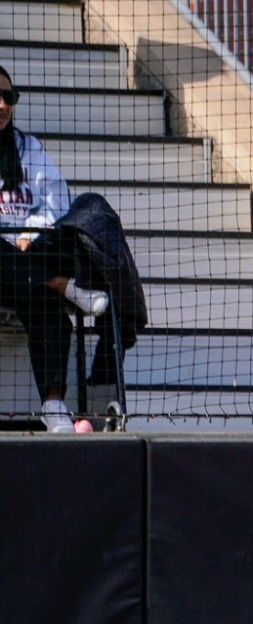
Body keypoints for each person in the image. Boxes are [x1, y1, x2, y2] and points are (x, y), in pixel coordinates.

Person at [0, 66, 112, 433]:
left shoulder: (27, 148)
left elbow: (55, 202)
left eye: (9, 98)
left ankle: (53, 406)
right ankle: (64, 285)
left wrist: (28, 235)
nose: (3, 105)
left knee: (46, 305)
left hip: (24, 258)